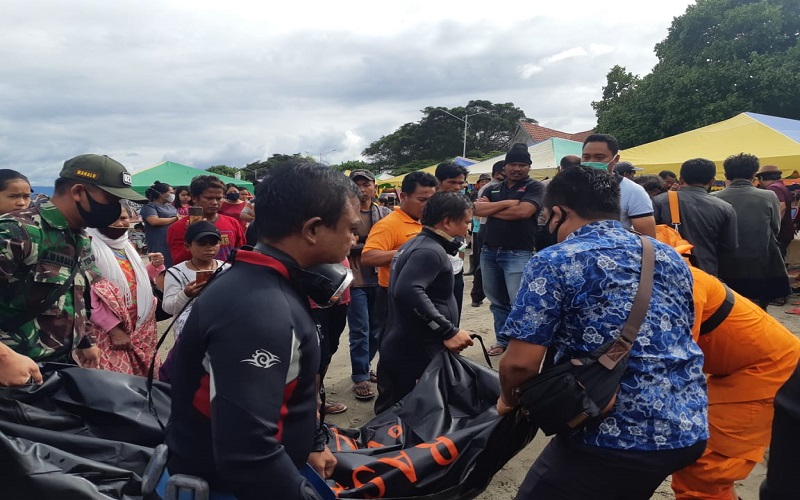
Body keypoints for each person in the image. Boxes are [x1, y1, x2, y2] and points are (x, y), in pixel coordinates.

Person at [497, 166, 707, 499]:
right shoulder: (668, 255)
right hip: (687, 423)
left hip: (613, 434)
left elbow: (520, 364)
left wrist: (507, 400)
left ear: (558, 213)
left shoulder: (554, 261)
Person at [165, 161, 360, 499]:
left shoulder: (267, 284)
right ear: (312, 229)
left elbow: (287, 392)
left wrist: (312, 441)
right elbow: (247, 452)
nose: (354, 238)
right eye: (350, 228)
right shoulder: (260, 311)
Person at [0, 154, 145, 386]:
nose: (118, 210)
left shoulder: (79, 236)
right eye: (111, 199)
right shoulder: (17, 232)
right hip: (13, 374)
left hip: (58, 367)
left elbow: (74, 297)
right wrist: (4, 358)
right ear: (78, 192)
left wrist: (85, 340)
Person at [669, 265, 800, 500]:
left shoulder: (675, 283)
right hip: (737, 368)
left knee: (706, 467)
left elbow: (669, 364)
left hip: (767, 371)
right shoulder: (664, 268)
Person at [375, 192, 475, 413]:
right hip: (414, 352)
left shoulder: (416, 244)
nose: (468, 230)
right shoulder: (430, 251)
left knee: (398, 416)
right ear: (447, 222)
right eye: (467, 223)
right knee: (403, 421)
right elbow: (407, 291)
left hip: (406, 346)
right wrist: (447, 330)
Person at [473, 143, 545, 356]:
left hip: (518, 252)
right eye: (513, 164)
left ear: (529, 167)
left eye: (522, 164)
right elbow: (476, 209)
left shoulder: (535, 188)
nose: (517, 168)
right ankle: (502, 340)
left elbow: (523, 212)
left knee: (518, 301)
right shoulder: (493, 187)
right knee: (497, 302)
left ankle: (520, 343)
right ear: (505, 166)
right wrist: (509, 203)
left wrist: (493, 208)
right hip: (489, 251)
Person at [88, 204, 161, 376]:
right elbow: (86, 293)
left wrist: (153, 268)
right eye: (112, 219)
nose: (120, 223)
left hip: (138, 329)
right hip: (107, 333)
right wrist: (113, 328)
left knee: (145, 382)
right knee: (118, 384)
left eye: (123, 218)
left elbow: (133, 279)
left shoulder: (126, 245)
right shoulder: (89, 247)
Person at [362, 171, 438, 337]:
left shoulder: (429, 222)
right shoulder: (388, 225)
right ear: (403, 196)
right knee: (396, 349)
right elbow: (368, 257)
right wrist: (405, 252)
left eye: (431, 200)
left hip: (424, 294)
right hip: (395, 296)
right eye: (422, 200)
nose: (427, 205)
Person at [714, 153, 791, 309]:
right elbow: (775, 227)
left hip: (725, 264)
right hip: (761, 262)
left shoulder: (714, 197)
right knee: (759, 310)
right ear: (754, 174)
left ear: (727, 174)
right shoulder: (768, 196)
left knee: (728, 309)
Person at [159, 221, 229, 382]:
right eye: (202, 244)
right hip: (188, 337)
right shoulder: (176, 272)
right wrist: (185, 294)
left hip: (220, 335)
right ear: (188, 246)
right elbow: (168, 307)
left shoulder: (227, 268)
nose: (209, 248)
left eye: (214, 243)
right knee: (192, 375)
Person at [346, 169, 390, 401]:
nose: (363, 189)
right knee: (359, 329)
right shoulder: (344, 213)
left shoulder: (384, 212)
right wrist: (372, 246)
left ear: (375, 187)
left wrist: (361, 243)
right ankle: (360, 374)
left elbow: (392, 241)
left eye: (367, 184)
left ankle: (366, 367)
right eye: (357, 185)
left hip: (380, 278)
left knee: (377, 328)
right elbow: (343, 243)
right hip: (355, 279)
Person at [653, 158, 738, 276]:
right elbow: (729, 247)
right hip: (707, 271)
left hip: (667, 271)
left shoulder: (659, 201)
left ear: (681, 179)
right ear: (712, 181)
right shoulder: (725, 208)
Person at [582, 133, 656, 237]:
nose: (591, 162)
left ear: (616, 159)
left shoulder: (633, 191)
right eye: (586, 157)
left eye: (599, 157)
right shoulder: (570, 187)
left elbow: (648, 238)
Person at [166, 175, 246, 265]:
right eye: (209, 198)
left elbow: (241, 254)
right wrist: (193, 234)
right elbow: (179, 261)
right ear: (194, 198)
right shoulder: (177, 228)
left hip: (228, 277)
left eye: (219, 198)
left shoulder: (233, 223)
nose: (215, 203)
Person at [434, 161, 469, 318]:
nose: (457, 187)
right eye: (452, 182)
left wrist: (460, 263)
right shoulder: (429, 205)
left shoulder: (462, 204)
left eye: (460, 183)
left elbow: (462, 240)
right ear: (439, 182)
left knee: (454, 318)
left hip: (456, 270)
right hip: (434, 272)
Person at [756, 164, 794, 259]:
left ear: (761, 178)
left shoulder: (773, 188)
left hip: (780, 234)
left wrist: (774, 227)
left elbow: (782, 206)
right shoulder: (780, 186)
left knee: (775, 262)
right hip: (785, 232)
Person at [140, 181, 180, 268]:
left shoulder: (171, 207)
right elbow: (154, 221)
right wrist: (175, 219)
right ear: (162, 194)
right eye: (171, 193)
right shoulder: (149, 206)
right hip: (158, 241)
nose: (173, 195)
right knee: (160, 266)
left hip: (173, 241)